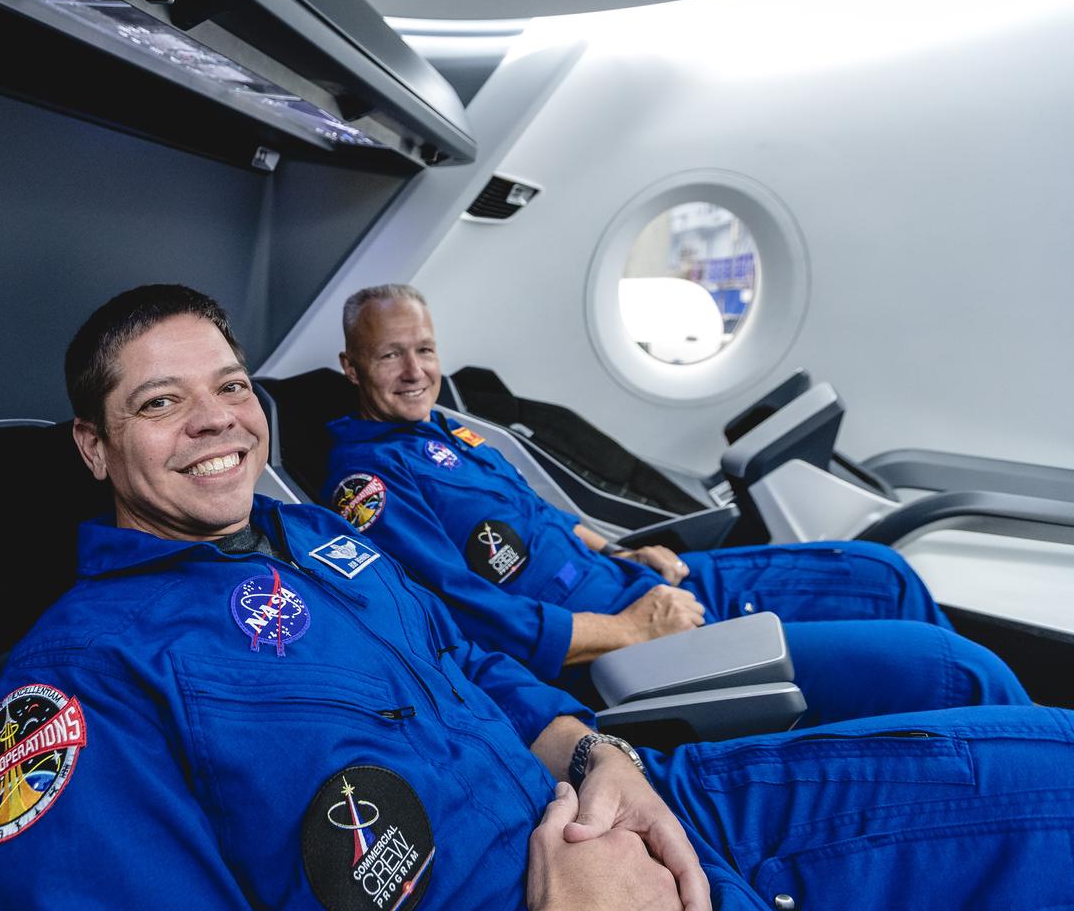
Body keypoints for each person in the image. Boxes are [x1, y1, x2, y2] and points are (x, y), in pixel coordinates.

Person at [0, 284, 1074, 911]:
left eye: (231, 386)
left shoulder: (307, 535)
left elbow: (472, 662)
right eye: (163, 401)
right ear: (94, 446)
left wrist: (605, 764)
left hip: (648, 811)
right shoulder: (77, 686)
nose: (216, 420)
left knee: (1044, 762)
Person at [322, 284, 1027, 722]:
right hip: (611, 647)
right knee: (958, 672)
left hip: (640, 583)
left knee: (883, 572)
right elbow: (470, 615)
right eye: (390, 357)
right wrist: (629, 629)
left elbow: (540, 519)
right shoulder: (368, 483)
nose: (416, 372)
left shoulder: (448, 428)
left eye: (425, 349)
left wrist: (619, 547)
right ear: (353, 367)